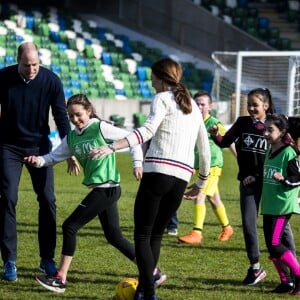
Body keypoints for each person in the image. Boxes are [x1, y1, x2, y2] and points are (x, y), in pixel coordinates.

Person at [88, 58, 211, 300]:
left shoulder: (162, 98)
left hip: (158, 172)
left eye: (153, 76)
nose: (150, 81)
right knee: (155, 234)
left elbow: (146, 131)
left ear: (161, 77)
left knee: (143, 235)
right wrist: (201, 183)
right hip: (181, 178)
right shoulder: (194, 108)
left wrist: (113, 147)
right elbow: (204, 150)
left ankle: (149, 293)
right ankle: (145, 290)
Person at [24, 94, 166, 293]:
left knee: (69, 226)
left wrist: (137, 163)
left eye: (79, 114)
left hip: (107, 188)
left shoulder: (100, 127)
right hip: (102, 190)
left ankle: (60, 278)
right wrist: (36, 160)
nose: (75, 119)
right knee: (114, 236)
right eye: (71, 116)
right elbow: (52, 158)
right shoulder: (72, 137)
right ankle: (153, 273)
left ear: (89, 111)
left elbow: (132, 139)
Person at [0, 41, 77, 281]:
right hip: (8, 146)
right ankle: (9, 261)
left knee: (47, 201)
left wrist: (69, 148)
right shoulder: (3, 77)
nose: (32, 69)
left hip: (40, 147)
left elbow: (61, 116)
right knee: (8, 198)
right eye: (26, 65)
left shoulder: (52, 80)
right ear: (18, 61)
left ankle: (47, 259)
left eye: (35, 64)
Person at [209, 88, 296, 286]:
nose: (250, 108)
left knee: (282, 231)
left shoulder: (275, 125)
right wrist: (216, 135)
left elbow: (288, 150)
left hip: (271, 183)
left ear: (265, 106)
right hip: (248, 182)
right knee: (249, 225)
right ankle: (255, 268)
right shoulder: (242, 123)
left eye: (255, 105)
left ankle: (293, 271)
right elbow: (225, 142)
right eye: (248, 104)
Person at [179, 91, 235, 245]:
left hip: (213, 166)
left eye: (202, 104)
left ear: (210, 106)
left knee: (199, 195)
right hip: (201, 167)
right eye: (196, 103)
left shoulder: (214, 123)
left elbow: (229, 141)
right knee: (213, 199)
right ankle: (227, 228)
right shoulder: (193, 122)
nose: (199, 106)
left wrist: (240, 159)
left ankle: (197, 233)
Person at [261, 113, 300, 294]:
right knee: (271, 246)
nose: (266, 133)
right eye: (265, 129)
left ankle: (298, 275)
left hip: (282, 205)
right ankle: (286, 282)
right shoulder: (269, 150)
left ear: (282, 131)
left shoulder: (289, 152)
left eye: (271, 130)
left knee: (276, 243)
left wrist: (284, 180)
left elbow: (297, 178)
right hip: (269, 204)